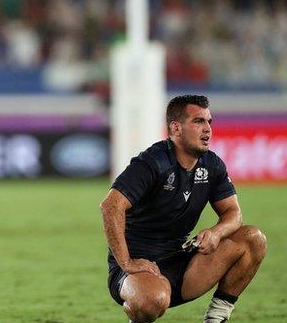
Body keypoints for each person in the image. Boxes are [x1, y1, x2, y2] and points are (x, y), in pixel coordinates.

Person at [100, 95, 267, 322]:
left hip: (181, 263)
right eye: (198, 122)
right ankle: (140, 309)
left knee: (253, 238)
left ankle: (217, 317)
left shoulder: (213, 165)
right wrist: (127, 263)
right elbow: (110, 206)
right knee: (151, 301)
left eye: (209, 122)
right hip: (137, 269)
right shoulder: (152, 162)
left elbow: (233, 213)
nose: (207, 129)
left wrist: (216, 233)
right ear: (176, 128)